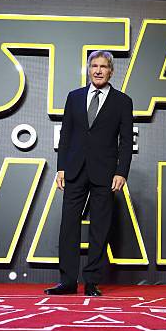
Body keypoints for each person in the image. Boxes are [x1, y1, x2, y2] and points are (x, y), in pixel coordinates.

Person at [44, 50, 133, 296]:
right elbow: (66, 135)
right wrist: (61, 167)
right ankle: (68, 281)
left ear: (111, 71)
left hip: (105, 173)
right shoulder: (74, 97)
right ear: (88, 69)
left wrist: (121, 171)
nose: (98, 70)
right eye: (94, 66)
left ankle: (91, 281)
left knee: (100, 228)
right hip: (74, 170)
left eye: (103, 66)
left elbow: (126, 142)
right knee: (68, 226)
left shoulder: (123, 101)